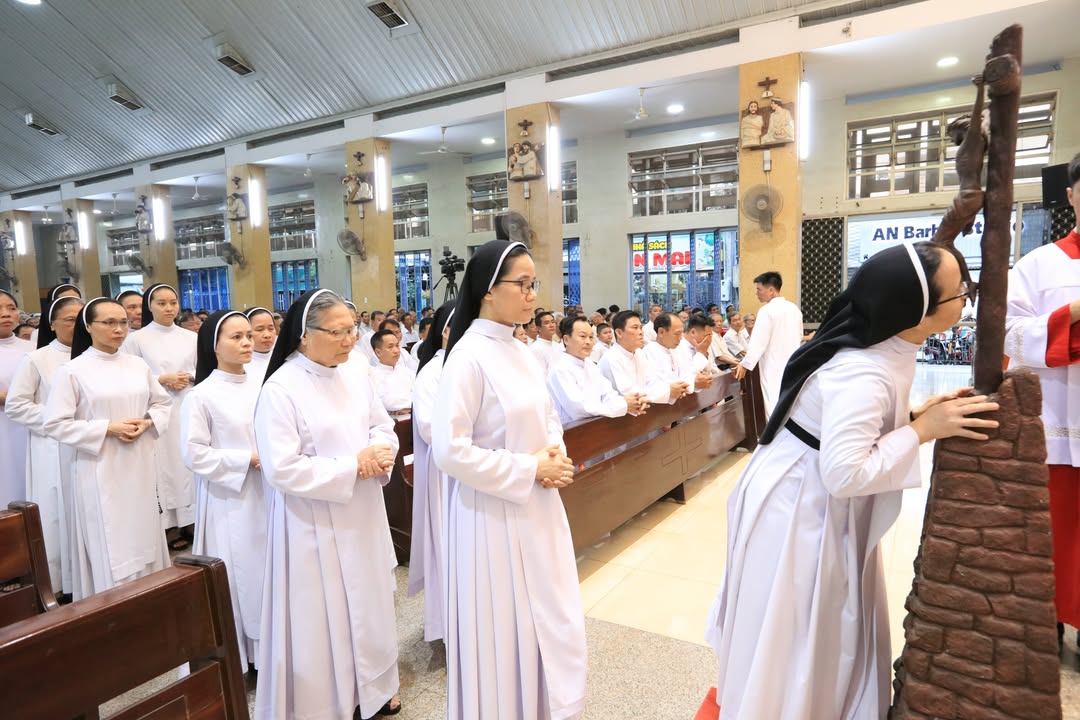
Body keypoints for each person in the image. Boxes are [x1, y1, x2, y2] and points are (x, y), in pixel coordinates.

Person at [705, 242, 999, 719]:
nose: (965, 297)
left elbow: (849, 426)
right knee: (800, 627)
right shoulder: (863, 369)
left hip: (803, 481)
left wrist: (912, 415)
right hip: (801, 507)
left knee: (807, 623)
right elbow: (844, 472)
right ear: (915, 309)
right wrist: (922, 431)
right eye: (958, 292)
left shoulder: (887, 344)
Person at [432, 239, 586, 720]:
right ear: (487, 290)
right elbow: (450, 451)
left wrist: (554, 453)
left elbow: (547, 415)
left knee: (548, 617)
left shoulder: (521, 351)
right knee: (506, 626)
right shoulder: (467, 358)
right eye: (522, 284)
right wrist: (529, 468)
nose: (532, 294)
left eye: (533, 283)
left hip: (537, 506)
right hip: (491, 518)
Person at [253, 289, 402, 720]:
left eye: (352, 330)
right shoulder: (281, 389)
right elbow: (281, 468)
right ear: (303, 334)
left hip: (362, 512)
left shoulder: (356, 372)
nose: (349, 340)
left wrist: (381, 451)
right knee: (324, 615)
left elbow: (382, 425)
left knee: (371, 603)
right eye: (337, 332)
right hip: (312, 522)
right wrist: (352, 466)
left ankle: (375, 689)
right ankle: (330, 702)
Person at [43, 298, 171, 600]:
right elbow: (55, 423)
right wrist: (106, 428)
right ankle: (111, 603)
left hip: (139, 464)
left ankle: (151, 596)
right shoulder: (73, 370)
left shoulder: (138, 365)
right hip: (99, 466)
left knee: (143, 531)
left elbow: (162, 403)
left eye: (123, 322)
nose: (119, 329)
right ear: (88, 326)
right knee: (112, 537)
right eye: (109, 323)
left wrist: (147, 423)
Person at [1004, 150, 1080, 649]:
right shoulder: (1038, 264)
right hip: (1055, 425)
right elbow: (1007, 333)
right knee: (1051, 529)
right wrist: (1070, 316)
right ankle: (1044, 618)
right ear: (1072, 196)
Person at [181, 310, 266, 670]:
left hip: (271, 492)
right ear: (213, 345)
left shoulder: (264, 383)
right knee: (242, 572)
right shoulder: (201, 395)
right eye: (236, 337)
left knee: (269, 571)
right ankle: (247, 656)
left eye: (249, 335)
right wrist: (246, 459)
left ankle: (274, 649)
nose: (247, 342)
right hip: (231, 498)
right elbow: (194, 454)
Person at [6, 295, 84, 594]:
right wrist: (58, 417)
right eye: (70, 320)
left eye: (81, 319)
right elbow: (16, 405)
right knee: (56, 515)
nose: (77, 326)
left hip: (89, 445)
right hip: (52, 447)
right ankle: (59, 585)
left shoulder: (93, 357)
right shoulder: (38, 359)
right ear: (52, 324)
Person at [121, 283, 197, 546]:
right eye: (161, 303)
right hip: (156, 409)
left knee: (187, 462)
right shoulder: (136, 339)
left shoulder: (191, 337)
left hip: (186, 403)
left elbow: (203, 367)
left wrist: (188, 376)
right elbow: (128, 375)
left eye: (173, 302)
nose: (168, 308)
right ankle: (168, 525)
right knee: (164, 467)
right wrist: (162, 379)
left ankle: (191, 520)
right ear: (149, 306)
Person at [408, 301, 455, 643]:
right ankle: (449, 625)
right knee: (449, 549)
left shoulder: (467, 364)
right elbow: (428, 426)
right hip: (447, 474)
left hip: (479, 468)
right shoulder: (432, 373)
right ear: (446, 332)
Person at [548, 315, 646, 425]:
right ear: (566, 339)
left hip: (598, 425)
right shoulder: (561, 369)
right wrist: (622, 405)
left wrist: (626, 402)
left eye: (591, 337)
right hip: (573, 430)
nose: (588, 342)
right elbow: (580, 409)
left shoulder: (590, 365)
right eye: (583, 336)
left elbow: (608, 393)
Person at [734, 272, 804, 415]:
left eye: (759, 289)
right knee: (792, 403)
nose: (756, 293)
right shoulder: (794, 309)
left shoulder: (766, 311)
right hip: (793, 364)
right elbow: (799, 336)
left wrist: (745, 364)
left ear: (771, 290)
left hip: (773, 365)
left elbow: (758, 342)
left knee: (773, 402)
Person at [598, 310, 675, 405]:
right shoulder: (610, 358)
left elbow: (652, 380)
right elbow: (629, 393)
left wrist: (668, 390)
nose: (641, 332)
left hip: (646, 406)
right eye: (635, 328)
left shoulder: (639, 353)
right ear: (619, 333)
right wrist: (666, 393)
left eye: (641, 328)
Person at [0, 289, 34, 507]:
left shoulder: (32, 348)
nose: (6, 314)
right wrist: (15, 399)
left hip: (30, 425)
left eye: (11, 308)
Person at [642, 313, 696, 401]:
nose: (680, 338)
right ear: (661, 332)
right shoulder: (648, 352)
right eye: (677, 334)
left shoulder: (676, 350)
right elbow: (654, 385)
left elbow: (686, 374)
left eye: (681, 333)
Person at [370, 330, 414, 414]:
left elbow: (420, 395)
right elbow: (386, 402)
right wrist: (411, 405)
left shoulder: (407, 372)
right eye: (390, 347)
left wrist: (408, 407)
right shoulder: (373, 375)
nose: (396, 350)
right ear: (378, 352)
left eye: (397, 345)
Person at [245, 307, 277, 381]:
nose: (267, 335)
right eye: (259, 329)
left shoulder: (284, 358)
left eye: (271, 328)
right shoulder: (240, 366)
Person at [529, 310, 561, 374]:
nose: (551, 325)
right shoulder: (535, 348)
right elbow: (539, 374)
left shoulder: (558, 345)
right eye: (547, 323)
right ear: (538, 328)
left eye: (553, 322)